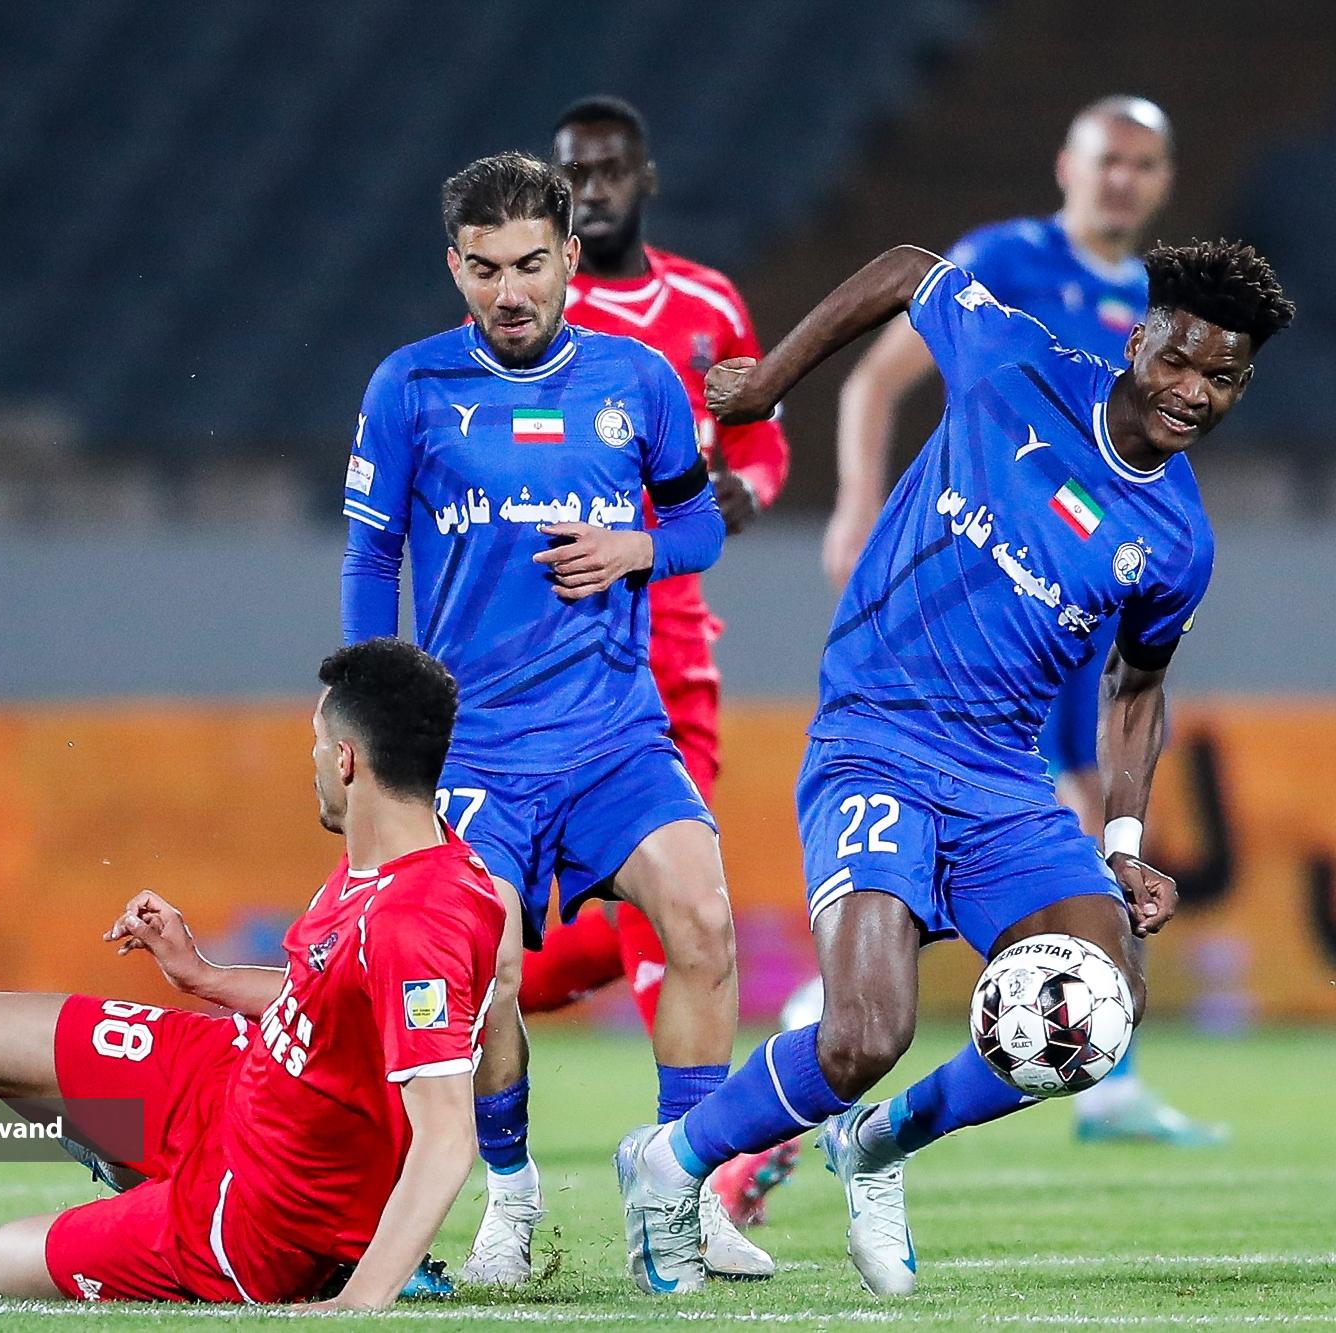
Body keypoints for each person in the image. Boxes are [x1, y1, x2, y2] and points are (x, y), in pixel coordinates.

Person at [614, 238, 1293, 1297]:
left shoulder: (1175, 539)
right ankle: (667, 1163)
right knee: (862, 1034)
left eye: (1224, 377)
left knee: (1100, 1004)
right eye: (1179, 360)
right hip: (875, 742)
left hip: (1003, 784)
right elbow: (900, 269)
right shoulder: (1014, 364)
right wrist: (766, 384)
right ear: (1137, 339)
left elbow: (1136, 687)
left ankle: (878, 1143)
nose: (1194, 392)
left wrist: (1121, 843)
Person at [339, 151, 759, 1292]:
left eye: (530, 264)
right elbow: (371, 556)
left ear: (571, 257)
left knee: (704, 920)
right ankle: (510, 1196)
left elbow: (699, 526)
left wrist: (637, 547)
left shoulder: (638, 379)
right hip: (474, 744)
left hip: (616, 735)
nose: (509, 291)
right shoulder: (409, 388)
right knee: (484, 978)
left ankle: (680, 1183)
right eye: (484, 269)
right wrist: (369, 722)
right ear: (454, 267)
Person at [816, 94, 1222, 1148]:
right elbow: (876, 381)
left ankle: (1089, 1063)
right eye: (1106, 159)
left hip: (1070, 616)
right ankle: (846, 1008)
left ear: (1163, 182)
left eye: (1142, 164)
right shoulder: (1005, 259)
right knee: (1042, 821)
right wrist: (856, 502)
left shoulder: (1156, 307)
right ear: (1066, 166)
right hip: (975, 596)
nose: (1121, 180)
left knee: (1085, 826)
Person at [0, 638, 504, 1307]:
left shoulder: (418, 920)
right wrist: (201, 975)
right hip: (230, 1077)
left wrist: (360, 1303)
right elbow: (328, 999)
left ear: (346, 760)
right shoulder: (385, 859)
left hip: (262, 1210)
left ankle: (334, 1260)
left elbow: (446, 1135)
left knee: (1, 1259)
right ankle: (141, 1177)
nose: (313, 759)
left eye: (317, 741)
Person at [516, 94, 795, 1238]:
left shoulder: (708, 304)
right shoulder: (530, 309)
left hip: (670, 637)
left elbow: (760, 444)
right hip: (545, 649)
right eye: (572, 172)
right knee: (533, 921)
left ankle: (695, 1165)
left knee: (675, 893)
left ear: (644, 178)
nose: (591, 188)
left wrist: (747, 492)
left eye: (608, 169)